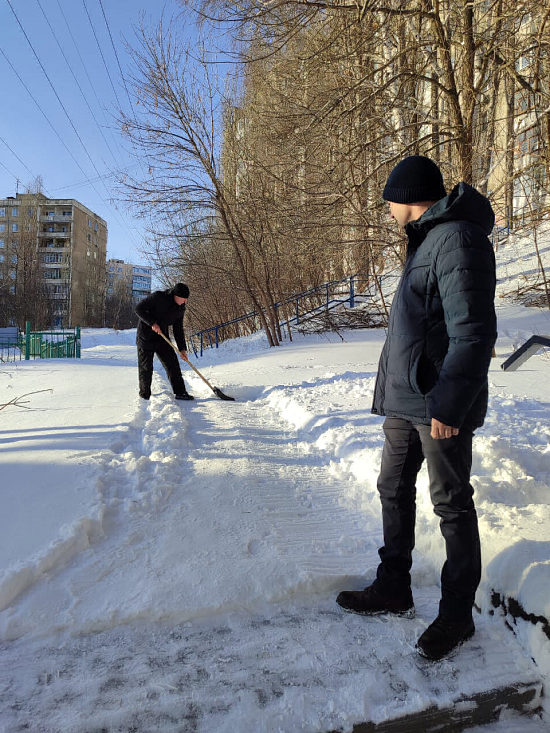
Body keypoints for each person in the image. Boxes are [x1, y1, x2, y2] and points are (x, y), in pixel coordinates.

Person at [336, 156, 497, 661]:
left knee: (451, 505)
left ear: (407, 195)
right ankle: (394, 586)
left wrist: (450, 403)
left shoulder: (459, 240)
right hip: (407, 401)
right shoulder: (428, 239)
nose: (385, 208)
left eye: (388, 198)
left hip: (438, 403)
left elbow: (473, 333)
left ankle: (456, 615)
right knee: (392, 488)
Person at [135, 282, 194, 401]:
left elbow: (178, 330)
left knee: (172, 364)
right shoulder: (158, 297)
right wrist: (152, 323)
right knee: (146, 367)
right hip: (145, 337)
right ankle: (145, 394)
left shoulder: (180, 309)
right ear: (176, 295)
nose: (185, 301)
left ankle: (180, 392)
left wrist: (182, 349)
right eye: (184, 298)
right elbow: (138, 308)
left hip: (162, 337)